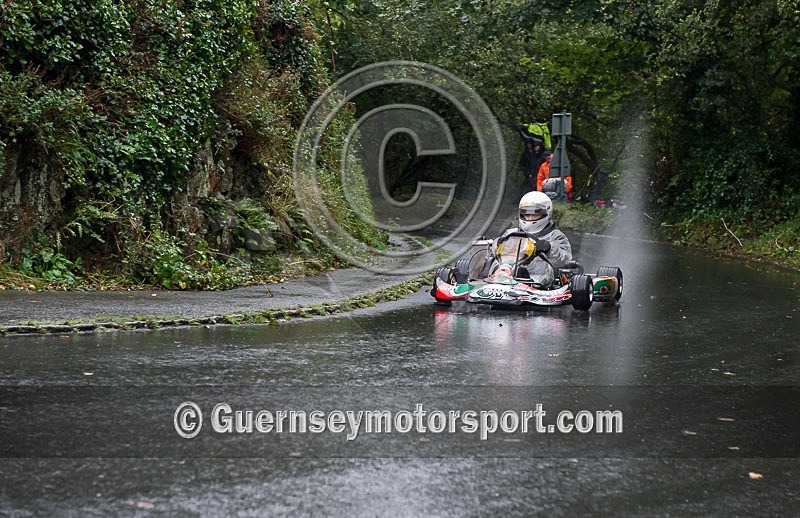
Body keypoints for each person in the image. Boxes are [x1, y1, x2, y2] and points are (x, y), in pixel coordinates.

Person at [491, 191, 573, 287]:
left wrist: (549, 248)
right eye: (526, 214)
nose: (529, 218)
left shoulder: (555, 236)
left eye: (534, 214)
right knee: (490, 261)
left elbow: (565, 261)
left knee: (535, 265)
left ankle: (526, 282)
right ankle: (496, 278)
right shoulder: (511, 233)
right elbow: (495, 252)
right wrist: (498, 243)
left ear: (546, 213)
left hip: (537, 277)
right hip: (507, 269)